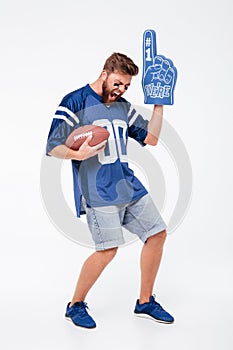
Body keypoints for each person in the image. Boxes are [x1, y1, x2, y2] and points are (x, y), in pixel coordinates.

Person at [46, 52, 174, 329]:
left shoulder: (122, 106)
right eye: (117, 83)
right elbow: (52, 146)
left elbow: (150, 139)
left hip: (127, 183)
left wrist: (159, 104)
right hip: (98, 190)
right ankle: (75, 305)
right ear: (104, 73)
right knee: (107, 250)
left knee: (157, 234)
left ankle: (144, 301)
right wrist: (78, 155)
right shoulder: (75, 101)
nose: (121, 90)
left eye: (126, 86)